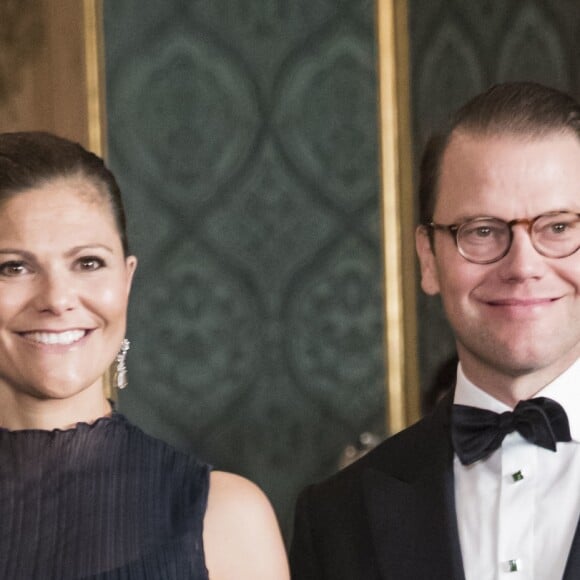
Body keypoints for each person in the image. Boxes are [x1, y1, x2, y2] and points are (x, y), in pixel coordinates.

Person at [290, 81, 580, 579]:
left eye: (559, 227)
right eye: (483, 231)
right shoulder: (336, 516)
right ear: (428, 259)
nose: (523, 266)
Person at [0, 132, 289, 580]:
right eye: (13, 267)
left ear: (127, 279)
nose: (57, 299)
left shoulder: (227, 519)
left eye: (89, 263)